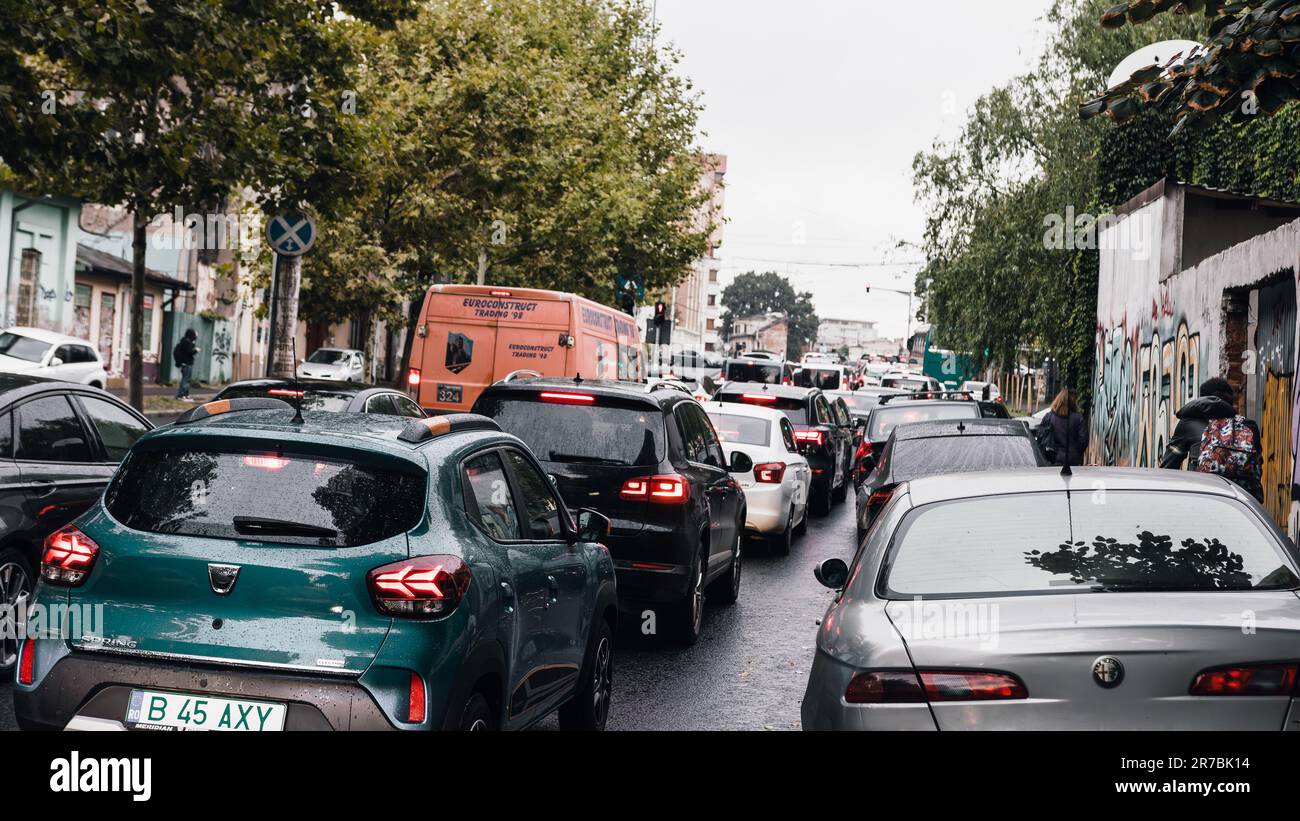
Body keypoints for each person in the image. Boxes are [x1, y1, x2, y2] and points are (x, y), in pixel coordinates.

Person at [1159, 377, 1238, 470]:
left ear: (1203, 399)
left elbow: (1169, 466)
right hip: (1238, 484)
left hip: (1201, 483)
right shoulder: (1247, 427)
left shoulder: (1188, 423)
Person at [1038, 388, 1087, 467]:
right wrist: (1076, 453)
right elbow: (1083, 440)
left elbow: (1040, 436)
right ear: (1072, 402)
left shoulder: (1049, 417)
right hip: (1072, 460)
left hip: (1051, 459)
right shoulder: (1078, 418)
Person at [173, 328, 200, 401]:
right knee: (185, 380)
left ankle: (185, 394)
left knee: (187, 380)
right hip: (186, 364)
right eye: (195, 334)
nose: (196, 336)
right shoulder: (187, 342)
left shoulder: (185, 341)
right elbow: (189, 352)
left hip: (186, 364)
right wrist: (195, 350)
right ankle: (182, 395)